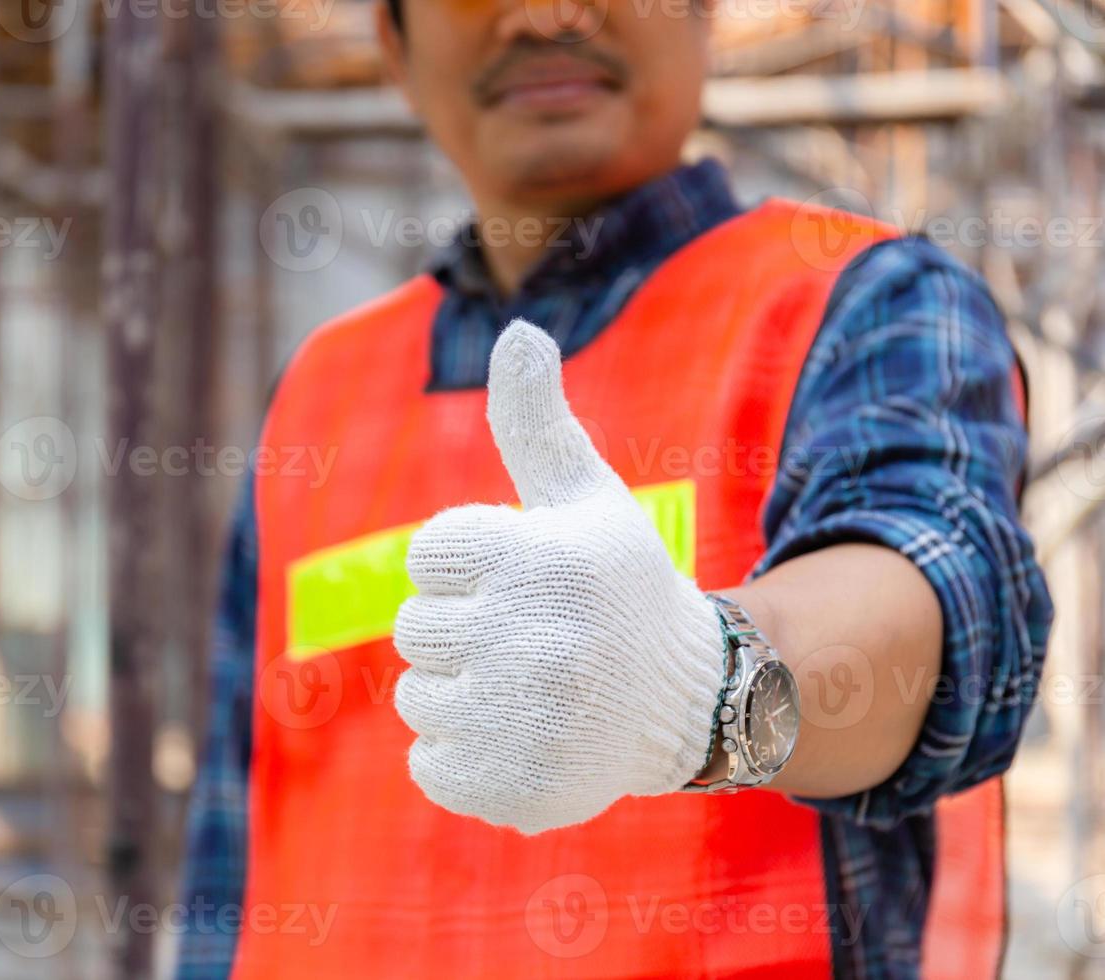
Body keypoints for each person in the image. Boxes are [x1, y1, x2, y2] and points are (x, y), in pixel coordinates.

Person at [178, 2, 1054, 977]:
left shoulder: (863, 303)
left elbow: (939, 602)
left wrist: (703, 680)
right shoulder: (316, 394)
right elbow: (237, 845)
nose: (549, 15)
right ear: (394, 39)